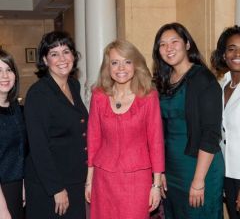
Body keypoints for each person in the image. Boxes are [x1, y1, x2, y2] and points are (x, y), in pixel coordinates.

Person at [85, 39, 165, 219]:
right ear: (108, 67)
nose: (121, 68)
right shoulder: (99, 96)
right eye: (115, 62)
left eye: (127, 61)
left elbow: (156, 142)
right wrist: (89, 181)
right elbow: (93, 138)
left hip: (136, 182)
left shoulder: (148, 97)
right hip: (103, 179)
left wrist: (156, 185)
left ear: (135, 65)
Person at [152, 22, 224, 219]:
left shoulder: (203, 80)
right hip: (172, 169)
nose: (169, 48)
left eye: (174, 41)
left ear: (187, 44)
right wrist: (160, 171)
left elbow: (211, 134)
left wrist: (199, 181)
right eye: (162, 44)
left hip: (199, 168)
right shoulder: (163, 81)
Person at [24, 31, 88, 219]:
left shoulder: (74, 85)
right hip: (51, 186)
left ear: (73, 56)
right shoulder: (38, 94)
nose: (62, 58)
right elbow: (39, 147)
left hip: (75, 180)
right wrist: (56, 188)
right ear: (45, 60)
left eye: (66, 51)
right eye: (54, 54)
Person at [211, 25, 240, 219]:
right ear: (224, 55)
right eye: (231, 48)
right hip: (225, 174)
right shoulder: (221, 85)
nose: (237, 53)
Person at [0, 49, 25, 219]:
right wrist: (2, 208)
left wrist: (23, 183)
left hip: (15, 187)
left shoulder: (15, 108)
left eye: (8, 70)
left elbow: (20, 150)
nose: (5, 75)